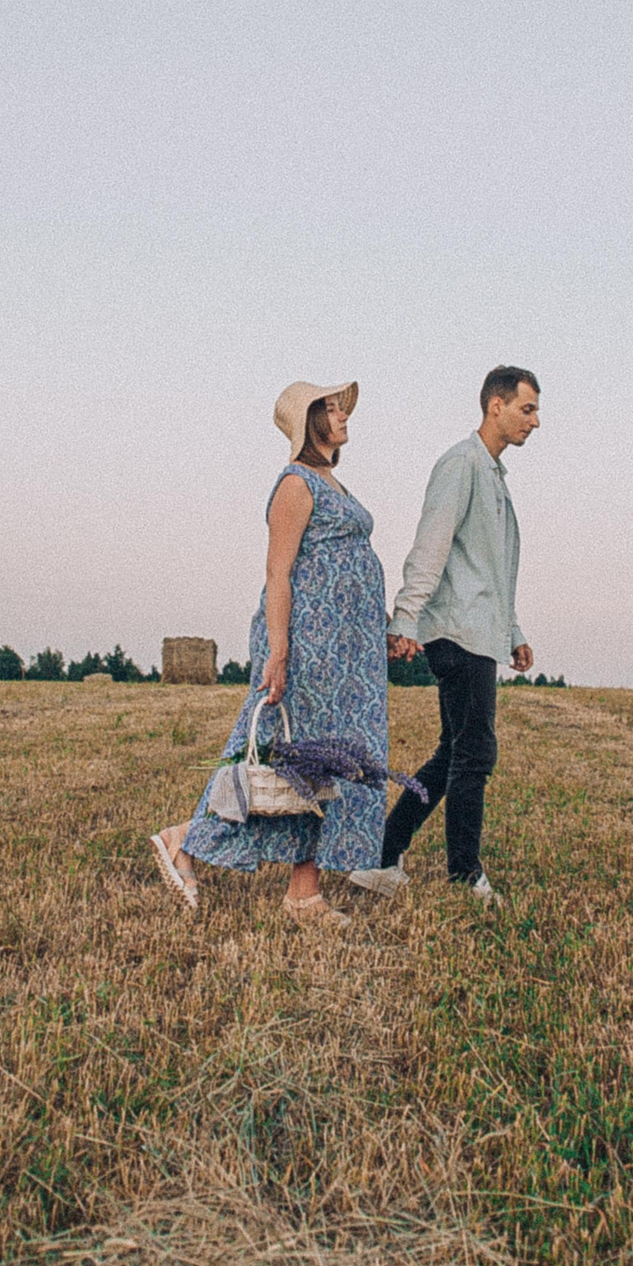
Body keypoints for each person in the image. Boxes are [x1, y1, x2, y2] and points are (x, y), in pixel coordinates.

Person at [150, 380, 392, 928]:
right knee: (277, 754)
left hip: (348, 654)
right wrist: (278, 653)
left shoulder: (335, 482)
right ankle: (185, 838)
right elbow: (278, 574)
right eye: (329, 409)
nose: (340, 415)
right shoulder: (295, 483)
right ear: (309, 422)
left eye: (338, 407)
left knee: (325, 767)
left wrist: (376, 623)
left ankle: (303, 894)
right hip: (308, 646)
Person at [349, 365, 540, 904]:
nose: (536, 421)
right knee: (474, 754)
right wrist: (405, 618)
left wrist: (513, 630)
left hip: (480, 631)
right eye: (527, 409)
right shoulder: (461, 465)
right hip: (456, 632)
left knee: (452, 752)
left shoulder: (493, 476)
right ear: (495, 406)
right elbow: (431, 544)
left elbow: (490, 568)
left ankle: (384, 856)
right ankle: (464, 876)